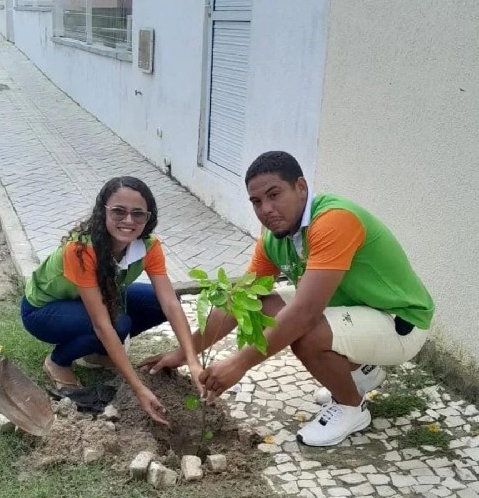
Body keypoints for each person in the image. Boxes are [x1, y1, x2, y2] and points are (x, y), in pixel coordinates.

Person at [143, 150, 434, 446]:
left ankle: (350, 408)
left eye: (274, 194)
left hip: (399, 320)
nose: (266, 209)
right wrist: (183, 354)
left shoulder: (334, 221)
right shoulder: (273, 241)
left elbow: (304, 313)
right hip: (358, 310)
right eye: (256, 202)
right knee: (260, 305)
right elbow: (238, 301)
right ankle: (362, 371)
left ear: (301, 188)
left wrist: (238, 363)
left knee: (307, 334)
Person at [20, 176, 204, 425]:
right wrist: (139, 388)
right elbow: (102, 324)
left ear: (148, 218)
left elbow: (170, 303)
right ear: (102, 212)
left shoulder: (149, 246)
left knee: (157, 303)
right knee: (117, 325)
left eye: (138, 214)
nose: (128, 221)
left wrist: (191, 361)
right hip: (42, 310)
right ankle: (58, 362)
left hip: (93, 301)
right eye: (119, 211)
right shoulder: (81, 250)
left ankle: (97, 353)